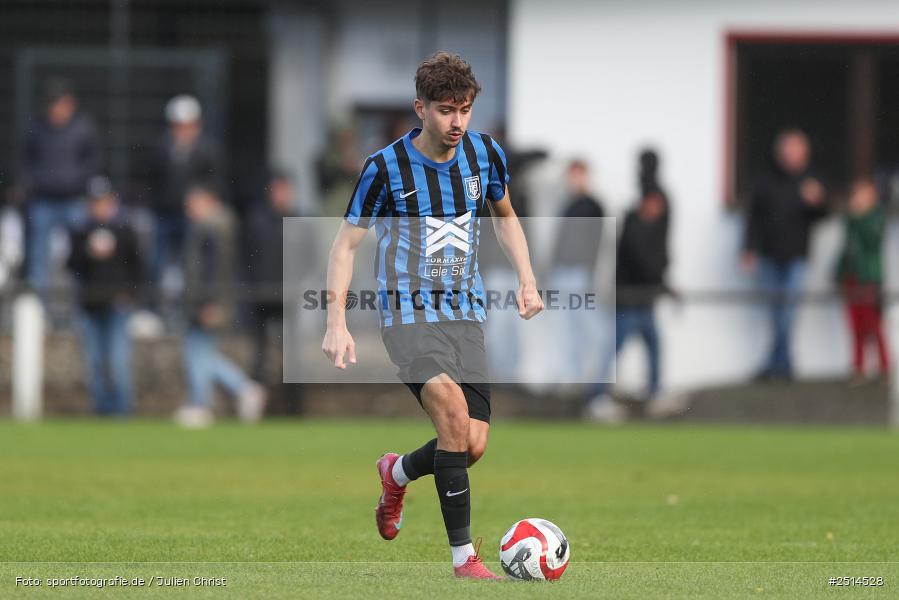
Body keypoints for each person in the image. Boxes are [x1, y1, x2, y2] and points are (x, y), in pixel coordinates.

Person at [321, 52, 544, 579]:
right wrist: (336, 321)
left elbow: (506, 217)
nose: (458, 122)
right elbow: (345, 246)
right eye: (447, 110)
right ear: (420, 108)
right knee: (449, 410)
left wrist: (527, 280)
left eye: (465, 109)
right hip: (406, 315)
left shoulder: (485, 154)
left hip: (465, 313)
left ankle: (396, 471)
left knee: (472, 442)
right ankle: (464, 560)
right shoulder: (383, 168)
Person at [176, 184, 266, 427]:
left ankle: (202, 404)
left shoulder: (213, 230)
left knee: (198, 354)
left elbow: (215, 273)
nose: (188, 210)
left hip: (206, 301)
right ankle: (243, 389)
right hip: (201, 300)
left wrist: (211, 303)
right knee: (203, 355)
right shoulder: (207, 228)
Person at [742, 129, 828, 380]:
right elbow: (753, 219)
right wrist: (748, 250)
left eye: (797, 149)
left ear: (805, 153)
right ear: (780, 153)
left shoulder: (811, 182)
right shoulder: (766, 182)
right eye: (788, 149)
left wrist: (817, 202)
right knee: (776, 312)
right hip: (768, 257)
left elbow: (823, 215)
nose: (792, 155)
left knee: (788, 311)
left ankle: (774, 364)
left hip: (797, 258)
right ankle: (785, 365)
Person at [584, 187, 672, 423]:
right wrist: (662, 282)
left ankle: (654, 392)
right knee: (614, 348)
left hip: (643, 301)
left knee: (653, 346)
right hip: (628, 302)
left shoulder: (648, 228)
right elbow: (644, 264)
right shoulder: (634, 228)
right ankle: (596, 397)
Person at [67, 177, 142, 415]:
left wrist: (129, 294)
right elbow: (70, 264)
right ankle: (100, 409)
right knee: (94, 361)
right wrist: (87, 252)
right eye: (95, 202)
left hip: (117, 305)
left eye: (104, 201)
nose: (100, 207)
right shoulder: (81, 230)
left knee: (119, 360)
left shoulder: (125, 230)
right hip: (90, 305)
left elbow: (138, 266)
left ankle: (123, 409)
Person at [21, 78, 101, 298]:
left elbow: (92, 162)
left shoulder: (83, 128)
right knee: (38, 255)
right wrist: (36, 182)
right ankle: (39, 306)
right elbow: (27, 161)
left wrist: (77, 181)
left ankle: (79, 303)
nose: (57, 109)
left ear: (70, 104)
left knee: (79, 253)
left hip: (74, 200)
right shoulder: (36, 127)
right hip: (43, 200)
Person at [245, 169, 314, 414]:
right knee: (260, 356)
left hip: (290, 298)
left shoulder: (301, 224)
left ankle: (295, 410)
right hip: (262, 298)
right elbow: (247, 257)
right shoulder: (257, 221)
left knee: (293, 358)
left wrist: (296, 284)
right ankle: (255, 410)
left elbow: (311, 259)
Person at [147, 95, 223, 289]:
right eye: (178, 125)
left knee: (192, 265)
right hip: (164, 215)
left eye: (187, 125)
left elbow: (213, 183)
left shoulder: (207, 151)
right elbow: (151, 181)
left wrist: (201, 203)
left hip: (192, 219)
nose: (182, 131)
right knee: (158, 264)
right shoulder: (160, 149)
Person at [549, 160, 605, 382]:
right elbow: (560, 241)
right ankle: (571, 376)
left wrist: (591, 274)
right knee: (566, 329)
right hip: (563, 273)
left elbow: (596, 242)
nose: (574, 181)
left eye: (578, 175)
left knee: (586, 329)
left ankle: (588, 376)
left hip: (580, 274)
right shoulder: (567, 205)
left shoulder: (593, 206)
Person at [836, 178, 889, 381]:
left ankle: (884, 367)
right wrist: (838, 275)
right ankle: (858, 368)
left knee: (873, 324)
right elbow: (847, 250)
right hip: (852, 278)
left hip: (868, 278)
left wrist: (859, 218)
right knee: (855, 325)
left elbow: (872, 242)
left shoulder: (875, 219)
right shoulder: (851, 221)